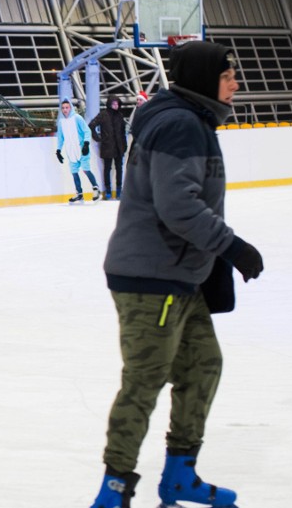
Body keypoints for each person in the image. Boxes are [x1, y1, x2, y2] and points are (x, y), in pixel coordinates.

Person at [90, 41, 264, 508]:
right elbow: (178, 206)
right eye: (229, 76)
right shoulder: (181, 125)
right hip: (152, 278)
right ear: (208, 79)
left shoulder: (188, 119)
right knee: (144, 382)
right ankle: (113, 491)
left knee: (203, 367)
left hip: (178, 277)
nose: (236, 83)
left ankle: (180, 474)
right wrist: (233, 247)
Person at [55, 97, 99, 203]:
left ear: (71, 108)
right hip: (71, 151)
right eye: (63, 108)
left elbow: (87, 131)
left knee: (85, 169)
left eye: (67, 107)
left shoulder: (77, 118)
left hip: (82, 148)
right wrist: (58, 150)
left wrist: (86, 144)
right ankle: (79, 193)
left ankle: (95, 188)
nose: (65, 110)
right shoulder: (61, 122)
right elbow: (61, 137)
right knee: (74, 172)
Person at [88, 95, 127, 200]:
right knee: (107, 169)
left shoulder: (120, 116)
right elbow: (91, 125)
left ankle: (119, 190)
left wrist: (124, 145)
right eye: (114, 104)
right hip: (108, 147)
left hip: (119, 147)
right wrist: (98, 138)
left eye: (117, 104)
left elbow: (123, 132)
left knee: (119, 169)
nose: (116, 105)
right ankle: (108, 190)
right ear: (109, 104)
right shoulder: (103, 115)